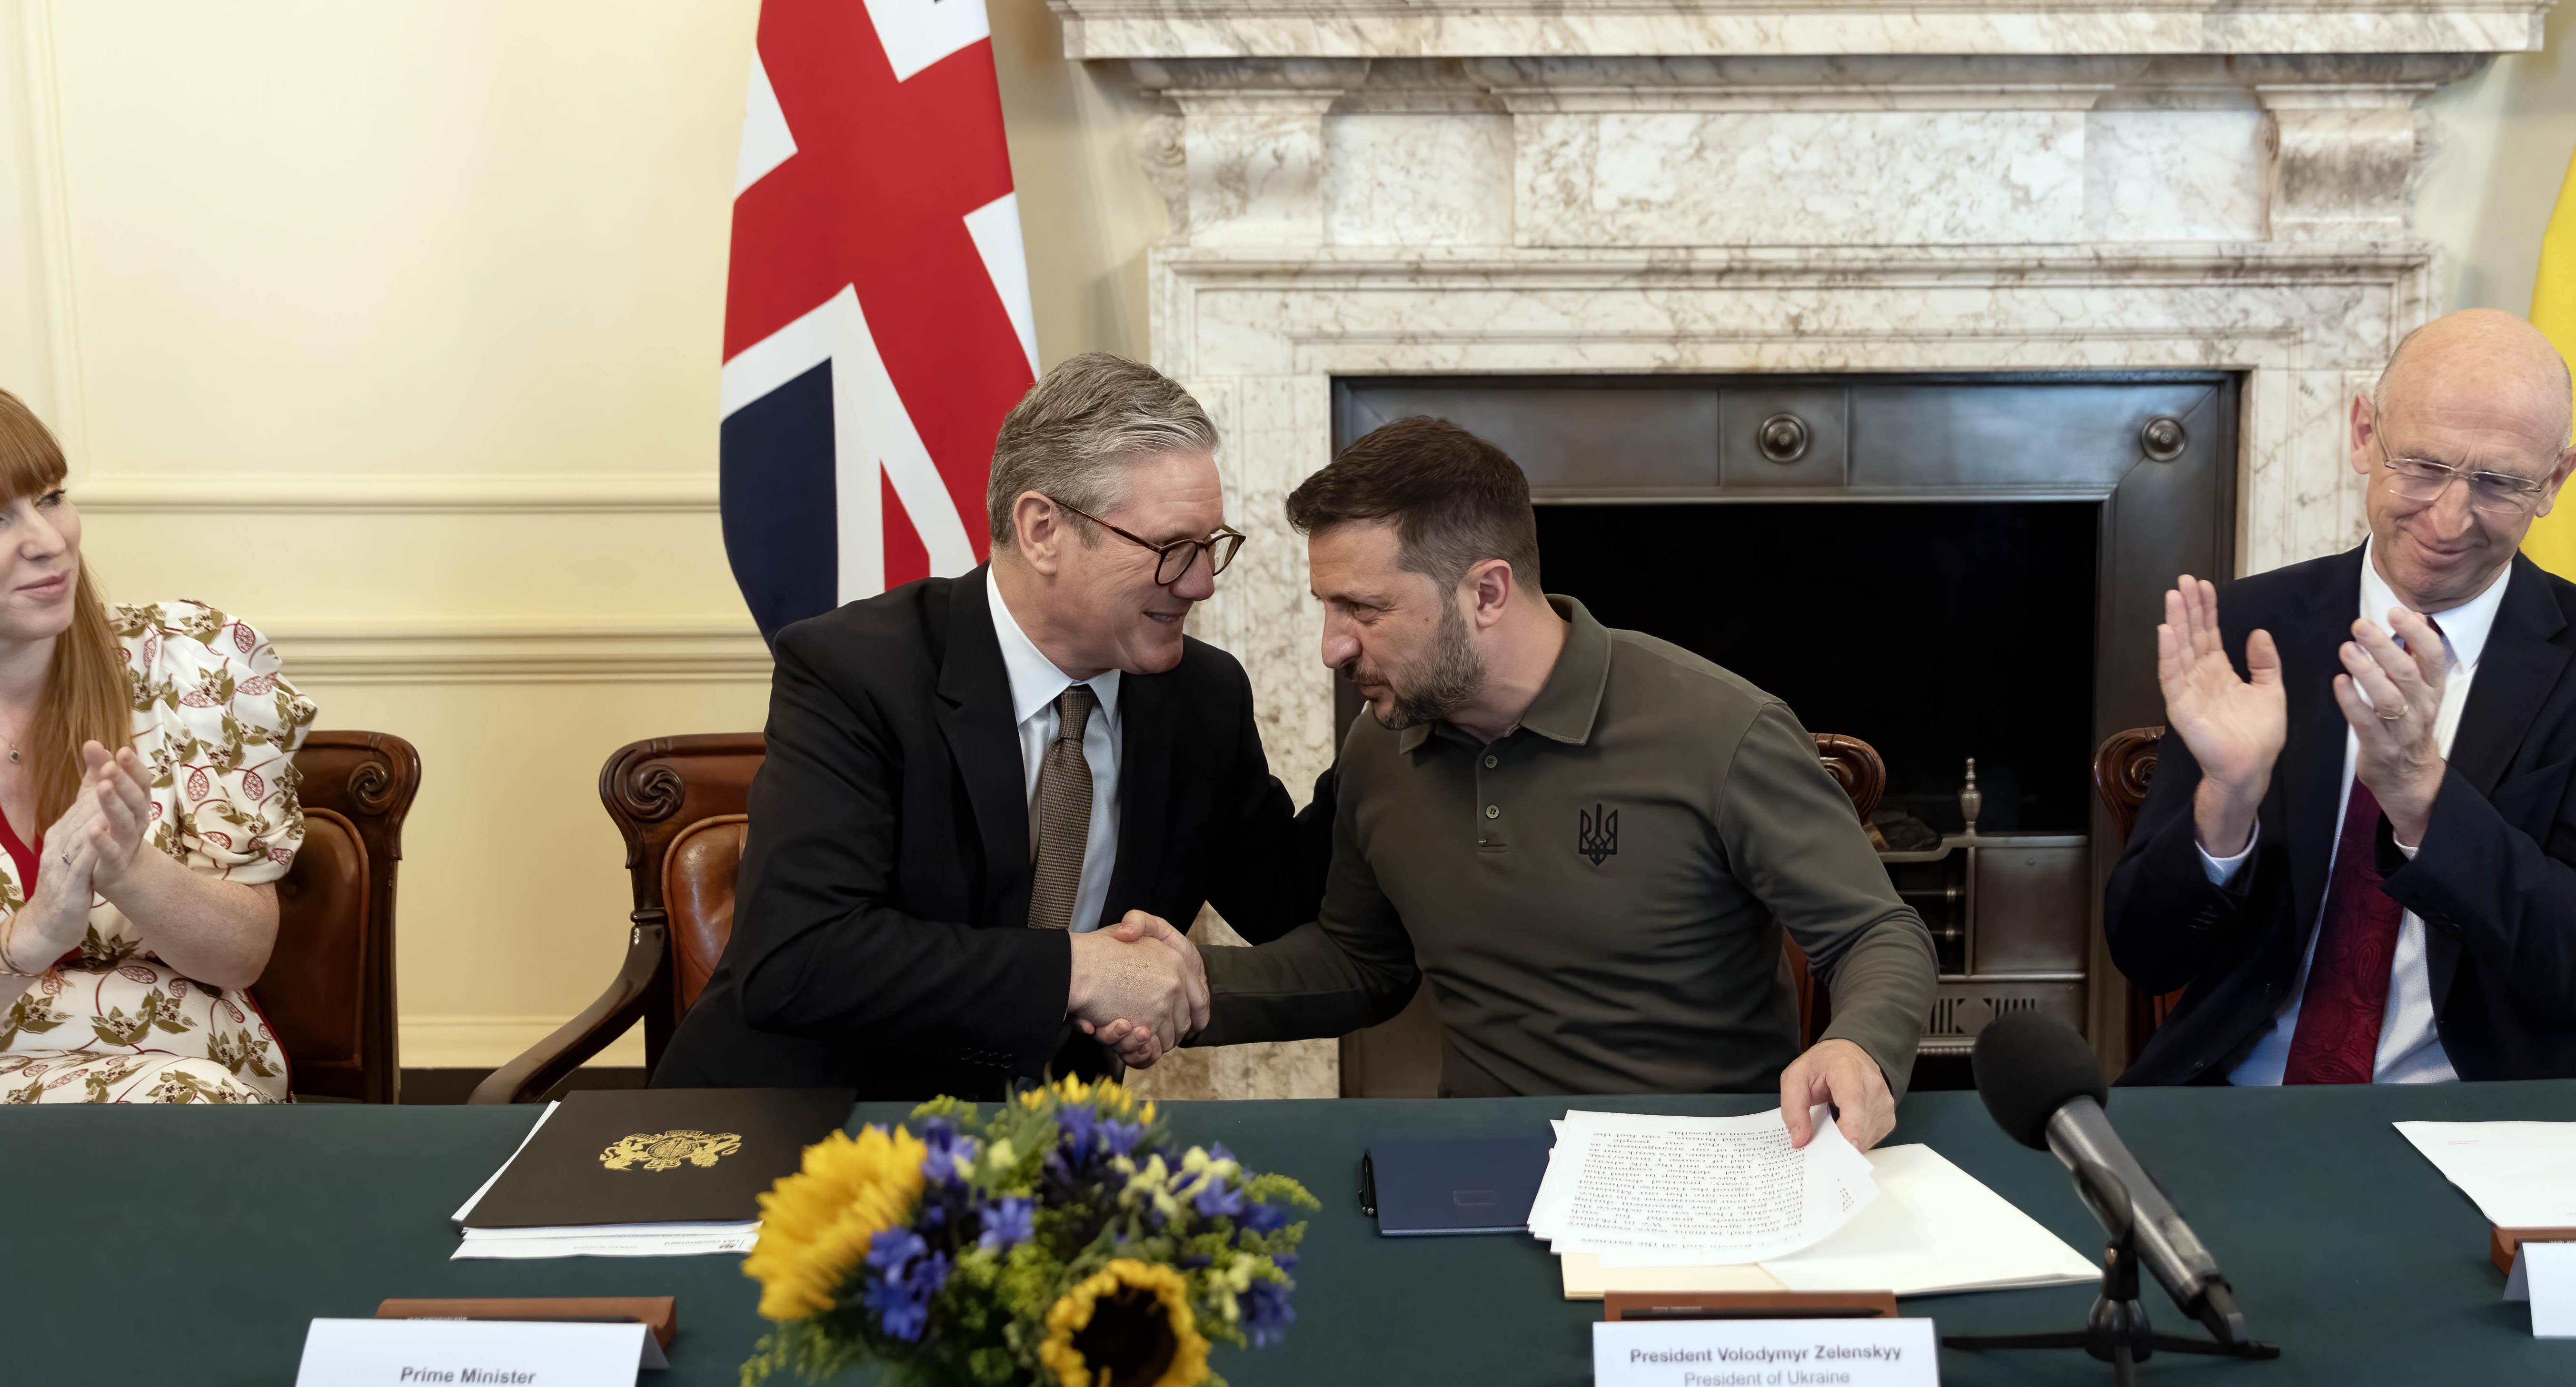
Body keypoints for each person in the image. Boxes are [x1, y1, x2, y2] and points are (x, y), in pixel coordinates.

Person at [1097, 417, 1936, 1148]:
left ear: (1487, 592)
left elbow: (1877, 935)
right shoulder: (1380, 745)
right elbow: (1362, 963)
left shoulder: (1722, 731)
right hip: (1484, 1170)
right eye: (1327, 606)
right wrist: (1182, 988)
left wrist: (1857, 1046)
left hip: (1703, 1172)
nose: (1334, 647)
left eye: (1365, 609)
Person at [654, 353, 1332, 1101]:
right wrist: (1080, 970)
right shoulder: (856, 673)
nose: (1201, 581)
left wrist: (1405, 705)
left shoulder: (1199, 698)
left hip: (1043, 1142)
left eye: (1211, 546)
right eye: (1173, 549)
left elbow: (1295, 909)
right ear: (1042, 529)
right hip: (808, 1127)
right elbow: (799, 959)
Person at [2109, 308, 2576, 1084]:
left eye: (2496, 482)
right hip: (2239, 1098)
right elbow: (2146, 953)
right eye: (2422, 466)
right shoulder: (2248, 629)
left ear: (2554, 481)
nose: (2449, 518)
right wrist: (2225, 804)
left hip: (2480, 1119)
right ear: (2364, 433)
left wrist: (2424, 802)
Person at [0, 375, 313, 1103]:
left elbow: (241, 956)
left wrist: (130, 867)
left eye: (51, 498)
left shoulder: (191, 662)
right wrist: (25, 940)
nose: (47, 542)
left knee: (187, 1104)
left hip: (192, 1090)